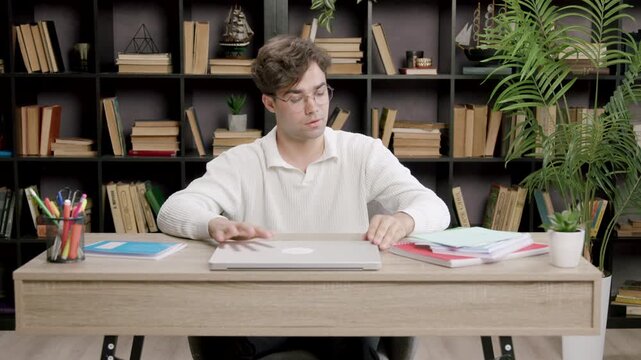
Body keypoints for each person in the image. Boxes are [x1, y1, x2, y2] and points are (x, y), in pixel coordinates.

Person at [157, 34, 450, 360]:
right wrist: (213, 224)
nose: (314, 107)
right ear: (270, 103)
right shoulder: (243, 162)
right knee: (216, 331)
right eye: (296, 98)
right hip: (263, 312)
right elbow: (173, 209)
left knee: (352, 337)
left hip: (343, 308)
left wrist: (402, 220)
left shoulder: (362, 153)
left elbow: (434, 207)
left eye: (320, 92)